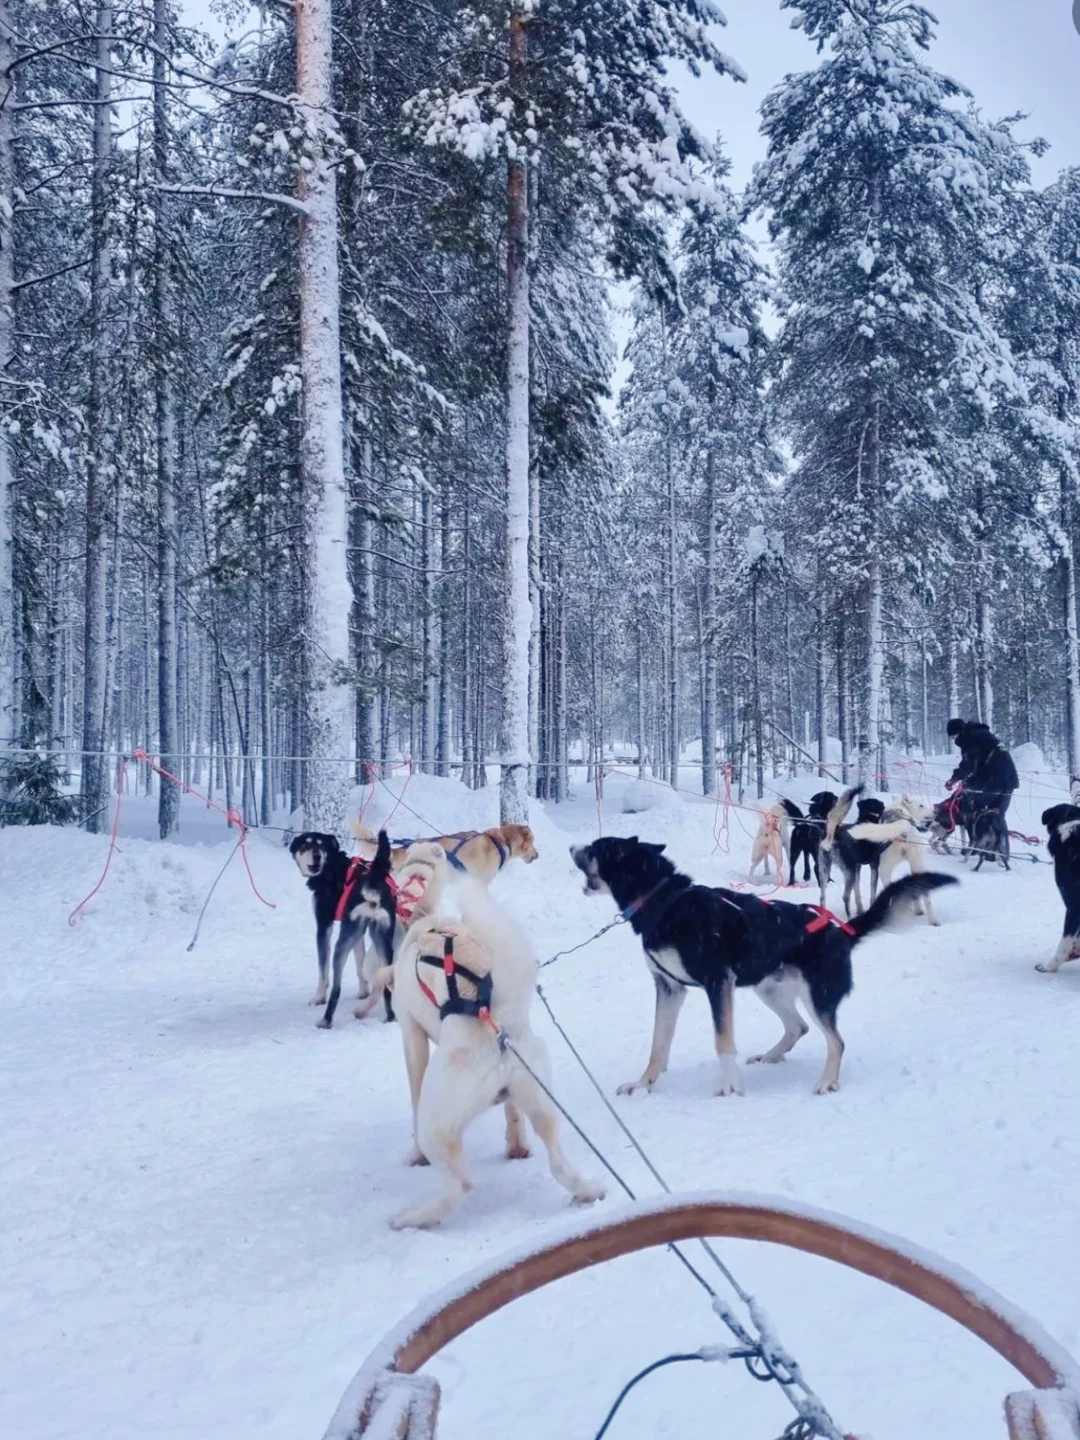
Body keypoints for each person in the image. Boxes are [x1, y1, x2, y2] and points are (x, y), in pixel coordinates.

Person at [946, 717, 1019, 817]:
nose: (955, 740)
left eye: (954, 736)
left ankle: (977, 828)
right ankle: (999, 831)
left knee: (973, 806)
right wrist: (968, 782)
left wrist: (954, 779)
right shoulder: (980, 734)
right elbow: (979, 765)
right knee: (997, 815)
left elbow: (969, 765)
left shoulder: (969, 738)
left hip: (995, 779)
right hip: (1009, 778)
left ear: (959, 732)